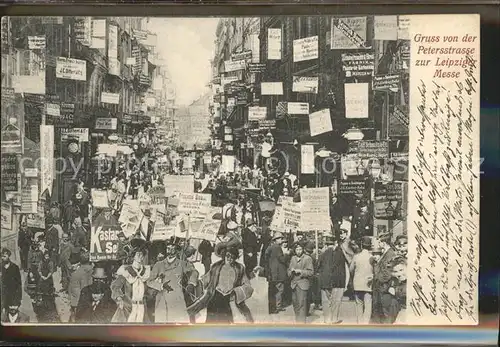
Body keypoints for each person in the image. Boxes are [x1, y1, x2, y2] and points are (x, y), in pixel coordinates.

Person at [187, 243, 254, 323]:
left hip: (229, 299)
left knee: (226, 322)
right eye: (228, 256)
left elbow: (247, 285)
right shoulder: (216, 266)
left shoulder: (240, 268)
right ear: (224, 255)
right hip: (215, 297)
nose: (229, 259)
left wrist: (236, 292)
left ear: (235, 258)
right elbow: (205, 280)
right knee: (211, 322)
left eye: (232, 257)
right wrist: (194, 285)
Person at [146, 237, 199, 323]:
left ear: (176, 250)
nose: (169, 250)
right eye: (168, 248)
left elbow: (194, 272)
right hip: (161, 300)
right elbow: (149, 281)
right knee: (161, 329)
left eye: (172, 248)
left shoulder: (182, 264)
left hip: (177, 299)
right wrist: (161, 286)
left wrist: (191, 283)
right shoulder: (159, 265)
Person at [110, 241, 151, 323]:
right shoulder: (125, 270)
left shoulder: (146, 271)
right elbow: (115, 286)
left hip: (142, 307)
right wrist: (119, 298)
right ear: (133, 256)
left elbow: (149, 290)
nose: (140, 256)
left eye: (141, 254)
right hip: (127, 307)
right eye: (137, 254)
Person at [317, 230, 350, 325]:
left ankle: (327, 319)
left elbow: (318, 266)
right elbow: (346, 267)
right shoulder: (341, 253)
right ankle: (334, 319)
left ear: (326, 243)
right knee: (336, 302)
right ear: (335, 243)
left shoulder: (322, 253)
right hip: (338, 281)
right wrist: (346, 284)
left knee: (326, 302)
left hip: (325, 281)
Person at [370, 231, 397, 324]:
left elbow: (387, 274)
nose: (378, 244)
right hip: (381, 288)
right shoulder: (386, 253)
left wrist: (376, 277)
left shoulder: (390, 254)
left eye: (379, 242)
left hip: (384, 288)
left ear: (383, 243)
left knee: (386, 314)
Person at [349, 236, 374, 324]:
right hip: (368, 284)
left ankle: (359, 323)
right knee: (368, 305)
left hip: (358, 284)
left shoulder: (356, 257)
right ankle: (366, 324)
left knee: (359, 305)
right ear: (370, 246)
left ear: (361, 245)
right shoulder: (372, 257)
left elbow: (351, 269)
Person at [288, 243, 314, 323]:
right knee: (295, 305)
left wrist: (301, 271)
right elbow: (288, 271)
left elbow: (311, 272)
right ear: (294, 250)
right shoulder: (293, 258)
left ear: (303, 249)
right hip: (294, 284)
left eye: (300, 249)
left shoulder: (307, 258)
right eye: (297, 250)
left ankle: (302, 324)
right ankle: (297, 322)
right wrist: (291, 272)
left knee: (302, 305)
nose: (298, 251)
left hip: (303, 284)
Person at [264, 232, 289, 314]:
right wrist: (287, 254)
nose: (281, 240)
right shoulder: (277, 247)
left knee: (274, 290)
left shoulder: (270, 247)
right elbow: (282, 259)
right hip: (278, 272)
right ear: (276, 240)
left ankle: (275, 307)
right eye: (280, 239)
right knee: (280, 290)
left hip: (273, 272)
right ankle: (277, 306)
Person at [68, 252, 93, 323]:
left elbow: (74, 292)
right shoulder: (95, 270)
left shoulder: (75, 274)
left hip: (80, 304)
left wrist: (74, 307)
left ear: (80, 261)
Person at [1, 248, 22, 313]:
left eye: (4, 256)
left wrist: (18, 298)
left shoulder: (15, 267)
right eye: (1, 256)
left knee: (13, 315)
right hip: (3, 295)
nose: (2, 258)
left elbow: (19, 283)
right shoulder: (0, 267)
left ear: (8, 256)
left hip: (13, 296)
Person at [388, 257, 407, 324]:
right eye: (396, 272)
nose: (399, 274)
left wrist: (395, 291)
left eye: (401, 270)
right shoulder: (401, 283)